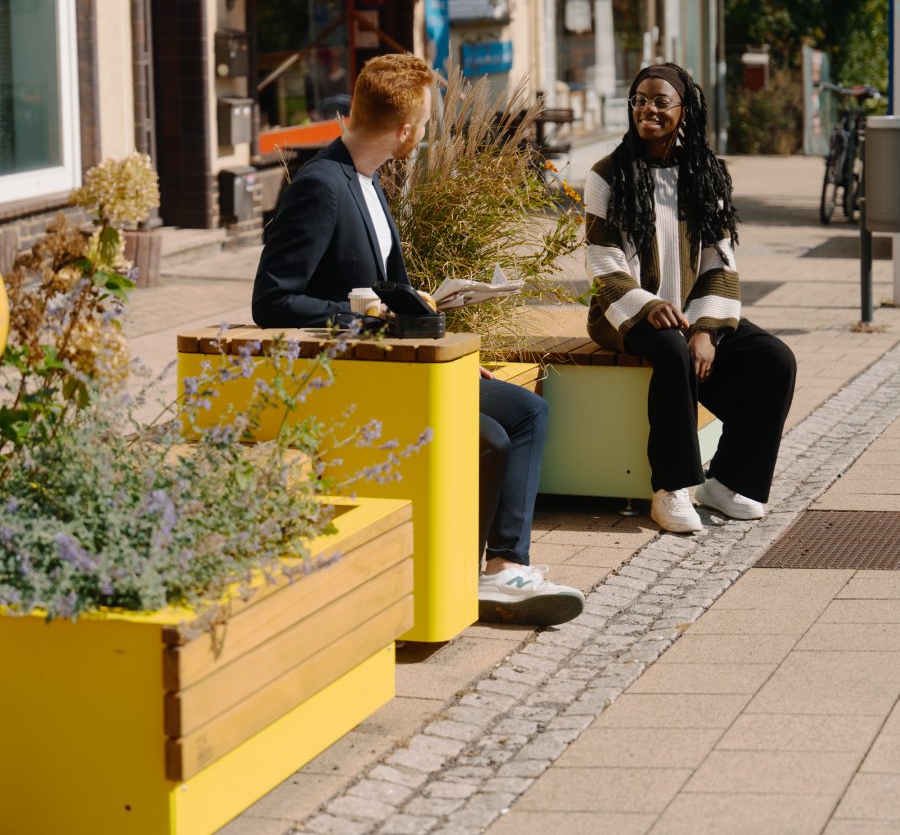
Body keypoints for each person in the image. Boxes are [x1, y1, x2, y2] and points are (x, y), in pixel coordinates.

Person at [253, 52, 584, 624]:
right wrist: (354, 311)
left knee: (527, 412)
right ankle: (478, 575)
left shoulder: (370, 181)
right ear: (404, 129)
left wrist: (447, 350)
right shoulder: (322, 187)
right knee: (493, 439)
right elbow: (270, 302)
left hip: (415, 363)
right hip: (367, 377)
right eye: (425, 124)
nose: (426, 133)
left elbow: (397, 293)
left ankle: (503, 568)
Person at [584, 62, 796, 533]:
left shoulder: (706, 175)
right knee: (672, 350)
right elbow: (603, 260)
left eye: (661, 102)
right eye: (640, 100)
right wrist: (646, 304)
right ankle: (671, 488)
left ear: (685, 110)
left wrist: (707, 330)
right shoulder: (608, 175)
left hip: (693, 314)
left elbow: (721, 260)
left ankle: (725, 481)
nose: (648, 110)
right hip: (624, 314)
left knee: (774, 360)